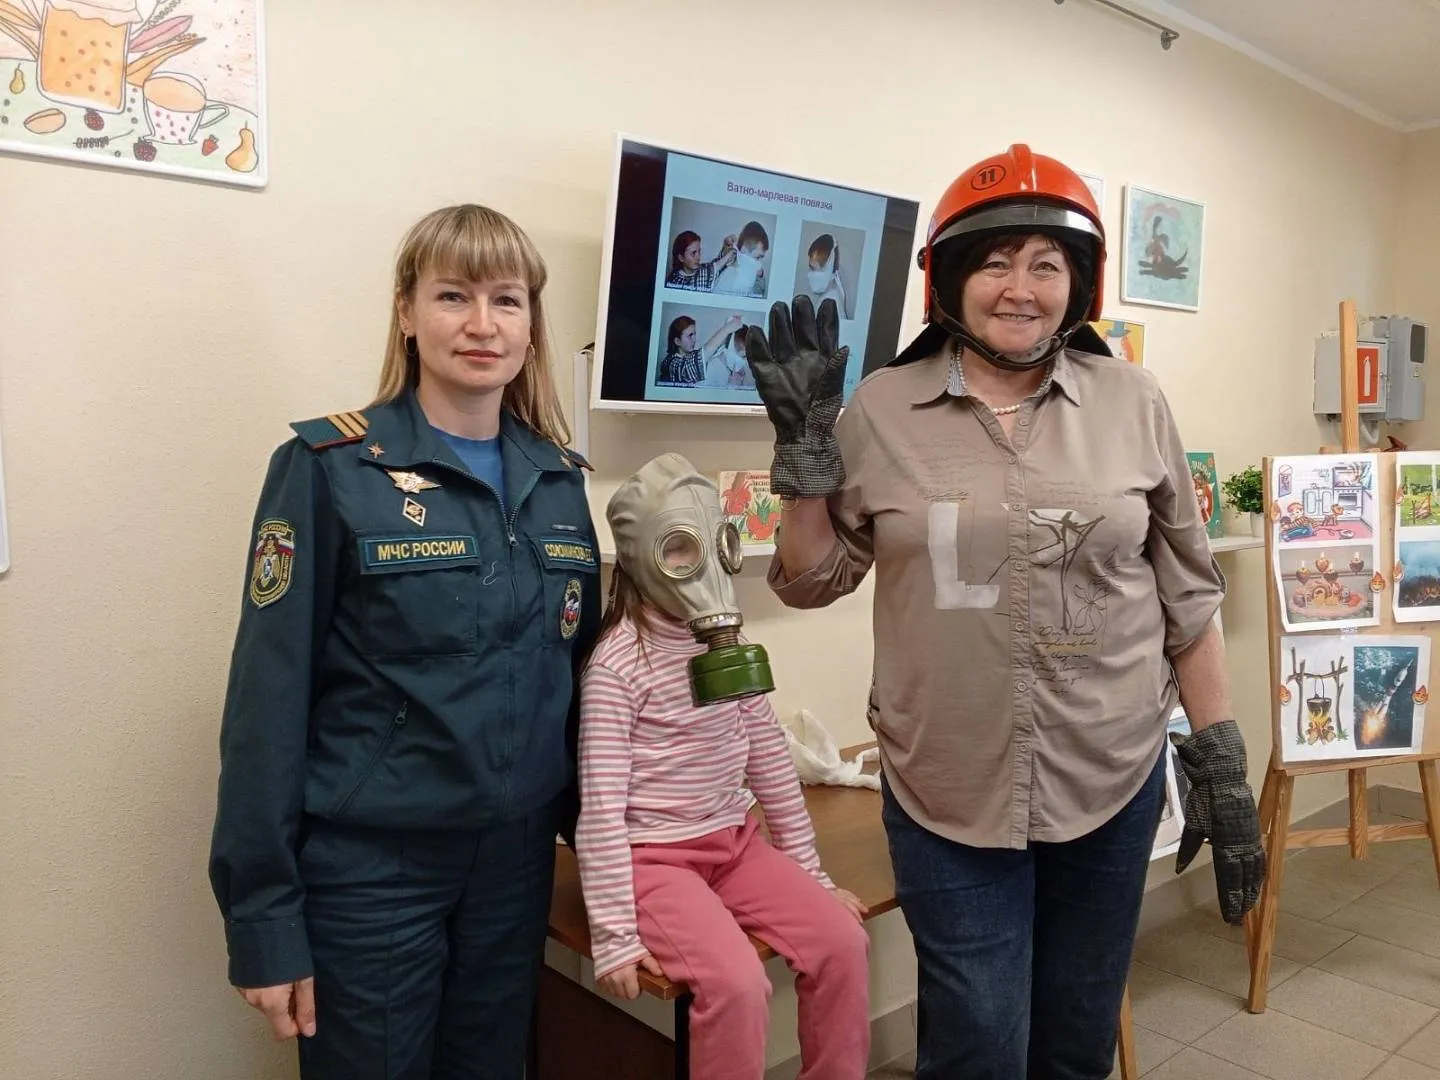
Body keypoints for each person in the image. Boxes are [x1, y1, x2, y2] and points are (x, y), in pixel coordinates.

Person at [741, 144, 1265, 1079]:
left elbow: (1189, 593)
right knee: (978, 1044)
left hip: (1110, 778)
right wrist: (805, 464)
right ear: (949, 279)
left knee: (1076, 1041)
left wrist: (1221, 761)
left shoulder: (1134, 401)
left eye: (1046, 265)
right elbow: (813, 580)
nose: (1020, 288)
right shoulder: (880, 408)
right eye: (994, 262)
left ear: (1078, 284)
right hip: (945, 787)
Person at [207, 203, 602, 1080]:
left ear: (531, 325)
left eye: (506, 300)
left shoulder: (558, 482)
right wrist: (264, 917)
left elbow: (580, 689)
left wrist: (622, 849)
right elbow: (266, 703)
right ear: (406, 311)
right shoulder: (329, 469)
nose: (482, 324)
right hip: (374, 868)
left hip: (515, 865)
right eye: (453, 295)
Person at [575, 453, 871, 1080]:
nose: (704, 567)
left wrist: (810, 873)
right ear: (642, 559)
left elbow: (769, 762)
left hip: (734, 845)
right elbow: (599, 809)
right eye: (680, 550)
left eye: (717, 544)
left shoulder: (732, 651)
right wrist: (614, 936)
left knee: (843, 943)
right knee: (737, 985)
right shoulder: (616, 668)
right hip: (655, 862)